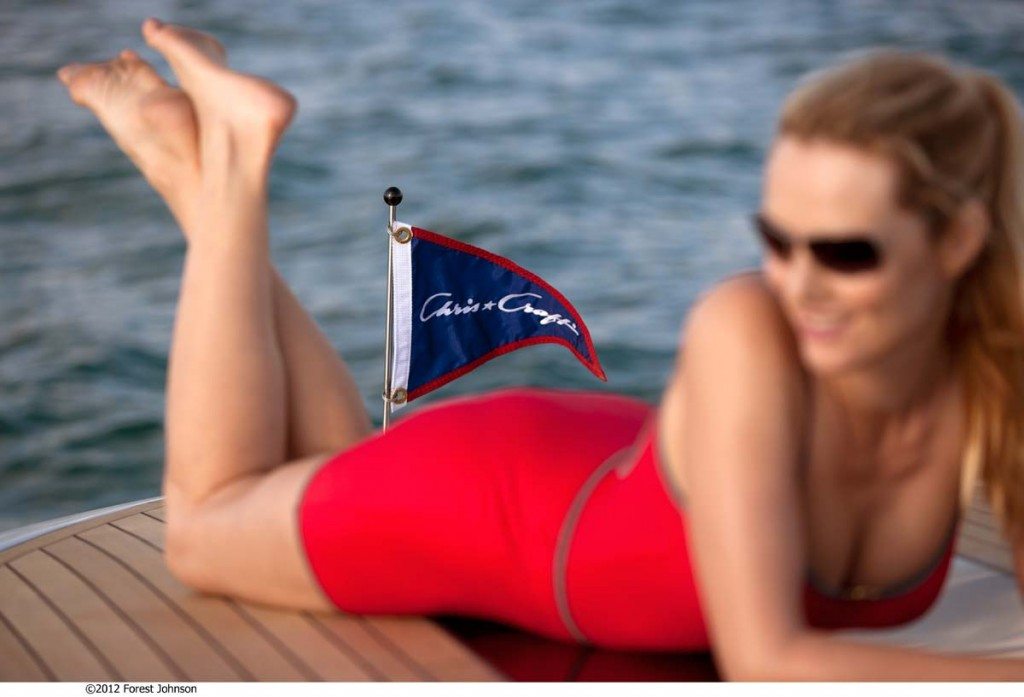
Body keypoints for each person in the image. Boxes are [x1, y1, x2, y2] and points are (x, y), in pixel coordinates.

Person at [56, 18, 1024, 680]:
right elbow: (766, 661)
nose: (797, 284)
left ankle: (195, 157)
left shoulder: (998, 362)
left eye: (846, 253)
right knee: (208, 523)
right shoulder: (747, 329)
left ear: (958, 242)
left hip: (586, 468)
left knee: (328, 472)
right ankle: (231, 160)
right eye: (777, 240)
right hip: (499, 507)